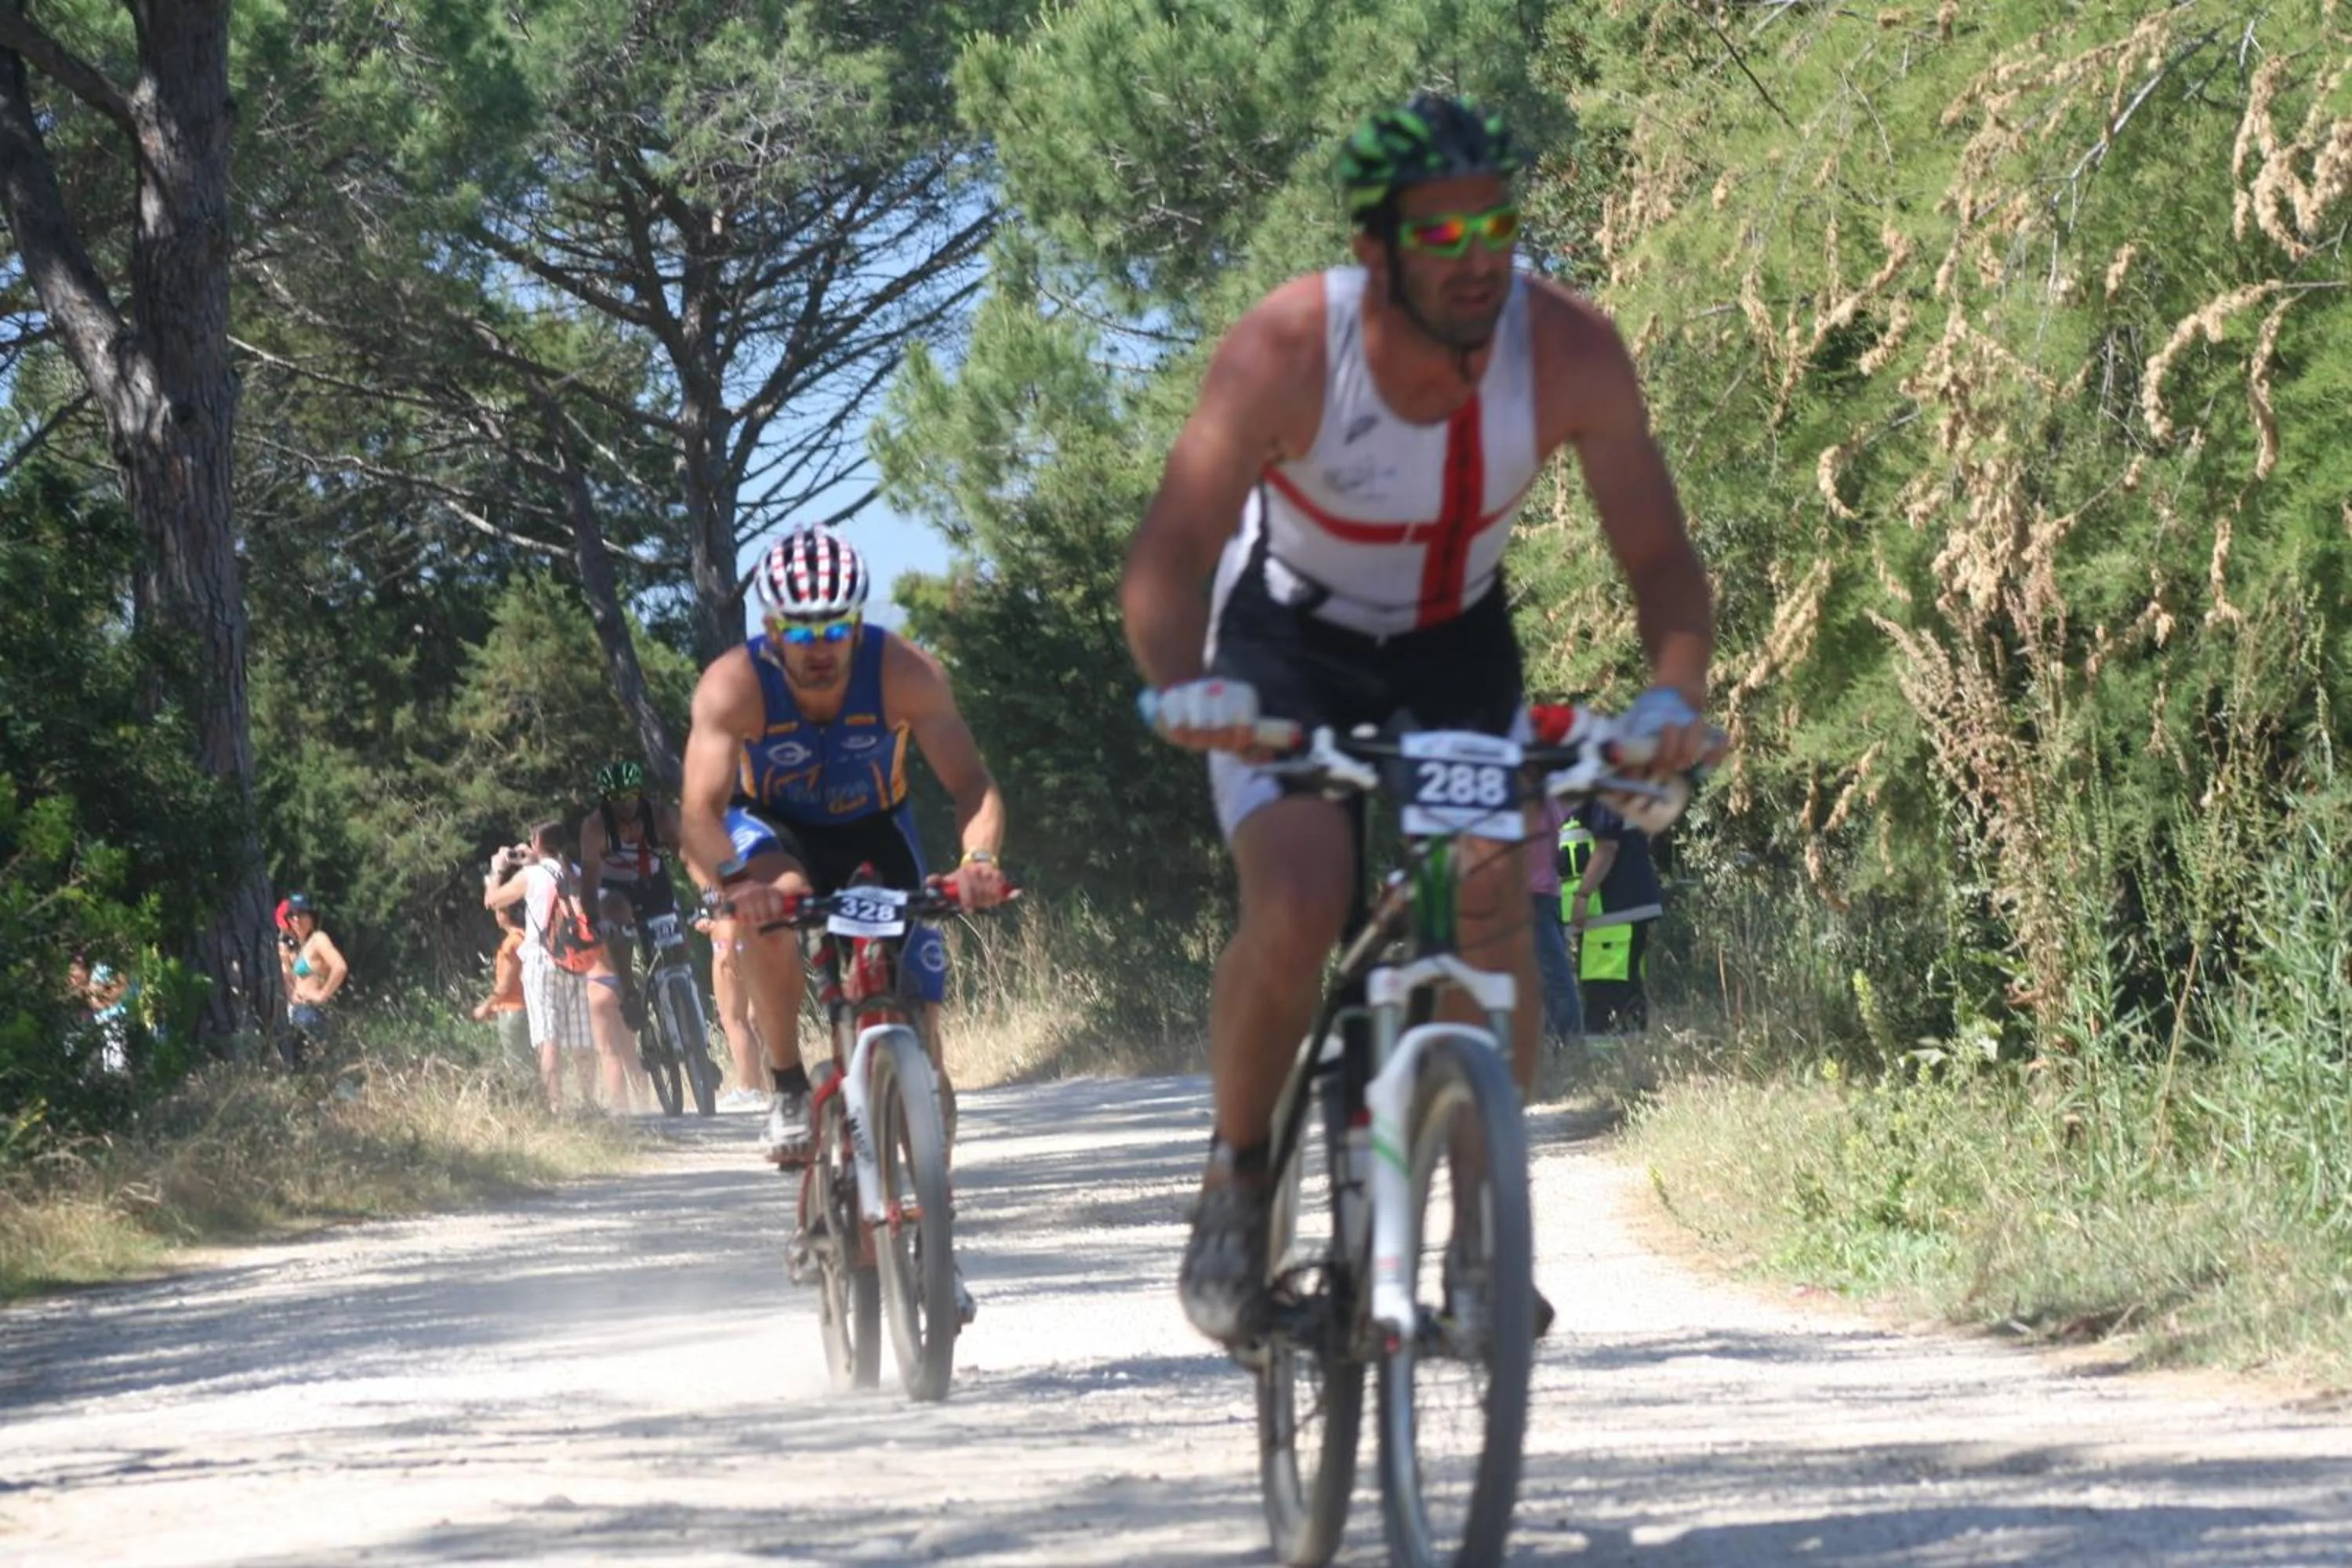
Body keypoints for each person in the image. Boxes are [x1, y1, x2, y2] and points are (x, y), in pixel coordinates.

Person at [1121, 92, 1716, 1346]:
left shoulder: (1569, 352)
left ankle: (1487, 1235)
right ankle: (1235, 1182)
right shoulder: (1287, 349)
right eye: (1439, 236)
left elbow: (1662, 566)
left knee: (1490, 889)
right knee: (1295, 892)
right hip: (1286, 639)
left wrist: (1670, 698)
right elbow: (1168, 559)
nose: (1476, 257)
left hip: (1453, 644)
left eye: (1494, 226)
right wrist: (1189, 684)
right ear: (1374, 250)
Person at [680, 524, 1011, 1173]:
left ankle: (929, 1249)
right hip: (773, 830)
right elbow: (697, 814)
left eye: (837, 628)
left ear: (859, 622)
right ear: (772, 630)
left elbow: (972, 783)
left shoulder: (906, 673)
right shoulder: (733, 686)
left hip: (876, 825)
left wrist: (978, 862)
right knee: (779, 906)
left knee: (922, 1004)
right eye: (802, 633)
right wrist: (730, 884)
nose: (821, 648)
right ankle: (789, 1087)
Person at [484, 824, 637, 1114]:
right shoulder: (575, 873)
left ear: (536, 841)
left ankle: (556, 1106)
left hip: (542, 962)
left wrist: (497, 869)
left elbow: (492, 901)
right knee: (581, 1038)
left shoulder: (531, 876)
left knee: (547, 1037)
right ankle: (589, 1102)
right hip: (576, 961)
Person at [578, 760, 697, 1040]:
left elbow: (690, 859)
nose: (625, 805)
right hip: (615, 887)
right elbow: (589, 879)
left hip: (654, 883)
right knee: (616, 918)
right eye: (617, 799)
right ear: (606, 800)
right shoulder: (595, 827)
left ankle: (691, 1017)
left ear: (640, 793)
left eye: (631, 795)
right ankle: (630, 993)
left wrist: (709, 892)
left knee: (678, 938)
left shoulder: (662, 816)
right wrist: (594, 920)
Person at [1565, 798, 1664, 1035]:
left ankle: (1607, 1062)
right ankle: (1629, 1057)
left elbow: (1607, 847)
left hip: (1613, 910)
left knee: (1606, 992)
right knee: (1625, 989)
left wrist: (1583, 895)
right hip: (1615, 911)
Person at [699, 909, 770, 1112]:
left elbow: (730, 909)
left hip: (728, 944)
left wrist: (727, 943)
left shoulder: (715, 879)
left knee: (734, 1020)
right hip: (751, 942)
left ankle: (748, 1088)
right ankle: (764, 1084)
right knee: (754, 1019)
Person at [1528, 790, 1584, 1049]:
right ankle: (1554, 1040)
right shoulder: (1553, 803)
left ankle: (1568, 1041)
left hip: (1534, 898)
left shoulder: (1529, 806)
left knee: (1555, 977)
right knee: (1550, 976)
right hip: (1546, 897)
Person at [278, 893, 349, 1063]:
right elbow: (292, 984)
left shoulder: (318, 939)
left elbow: (340, 967)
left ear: (311, 917)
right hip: (294, 1013)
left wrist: (323, 994)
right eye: (292, 916)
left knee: (317, 1065)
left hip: (311, 1013)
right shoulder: (298, 948)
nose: (297, 920)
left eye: (302, 914)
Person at [471, 898, 534, 1076]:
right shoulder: (524, 938)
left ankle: (528, 1099)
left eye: (499, 911)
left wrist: (485, 1006)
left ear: (504, 915)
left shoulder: (512, 943)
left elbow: (505, 985)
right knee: (528, 1060)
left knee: (518, 1064)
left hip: (513, 1010)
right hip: (524, 1008)